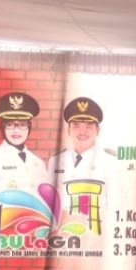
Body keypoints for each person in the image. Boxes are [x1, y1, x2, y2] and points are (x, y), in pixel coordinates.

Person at [48, 97, 117, 237]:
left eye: (89, 126)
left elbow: (116, 208)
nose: (82, 132)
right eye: (76, 126)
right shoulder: (55, 161)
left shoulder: (110, 161)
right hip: (62, 237)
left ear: (98, 130)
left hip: (95, 236)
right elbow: (49, 205)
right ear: (69, 130)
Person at [0, 92, 49, 205]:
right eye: (10, 125)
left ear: (29, 127)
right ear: (2, 127)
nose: (16, 130)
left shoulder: (38, 162)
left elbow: (45, 203)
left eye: (22, 125)